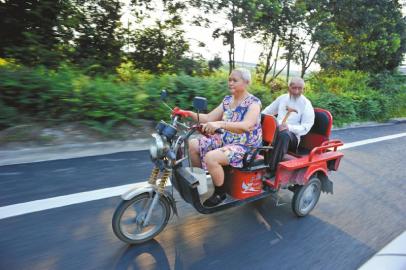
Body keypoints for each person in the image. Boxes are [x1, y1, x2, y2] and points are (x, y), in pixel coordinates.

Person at [173, 68, 262, 207]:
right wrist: (188, 113)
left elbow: (247, 126)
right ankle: (200, 183)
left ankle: (220, 193)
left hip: (245, 145)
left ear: (246, 82)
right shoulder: (227, 101)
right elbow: (209, 118)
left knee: (211, 157)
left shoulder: (253, 103)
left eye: (235, 80)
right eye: (229, 79)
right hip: (225, 139)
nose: (230, 83)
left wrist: (219, 123)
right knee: (192, 144)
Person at [262, 77, 315, 172]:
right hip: (275, 131)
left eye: (300, 88)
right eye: (294, 88)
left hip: (292, 138)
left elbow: (306, 127)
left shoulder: (306, 104)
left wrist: (289, 127)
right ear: (289, 87)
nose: (296, 91)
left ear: (303, 89)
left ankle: (271, 170)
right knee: (260, 125)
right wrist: (259, 118)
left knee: (284, 134)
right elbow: (267, 111)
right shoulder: (282, 98)